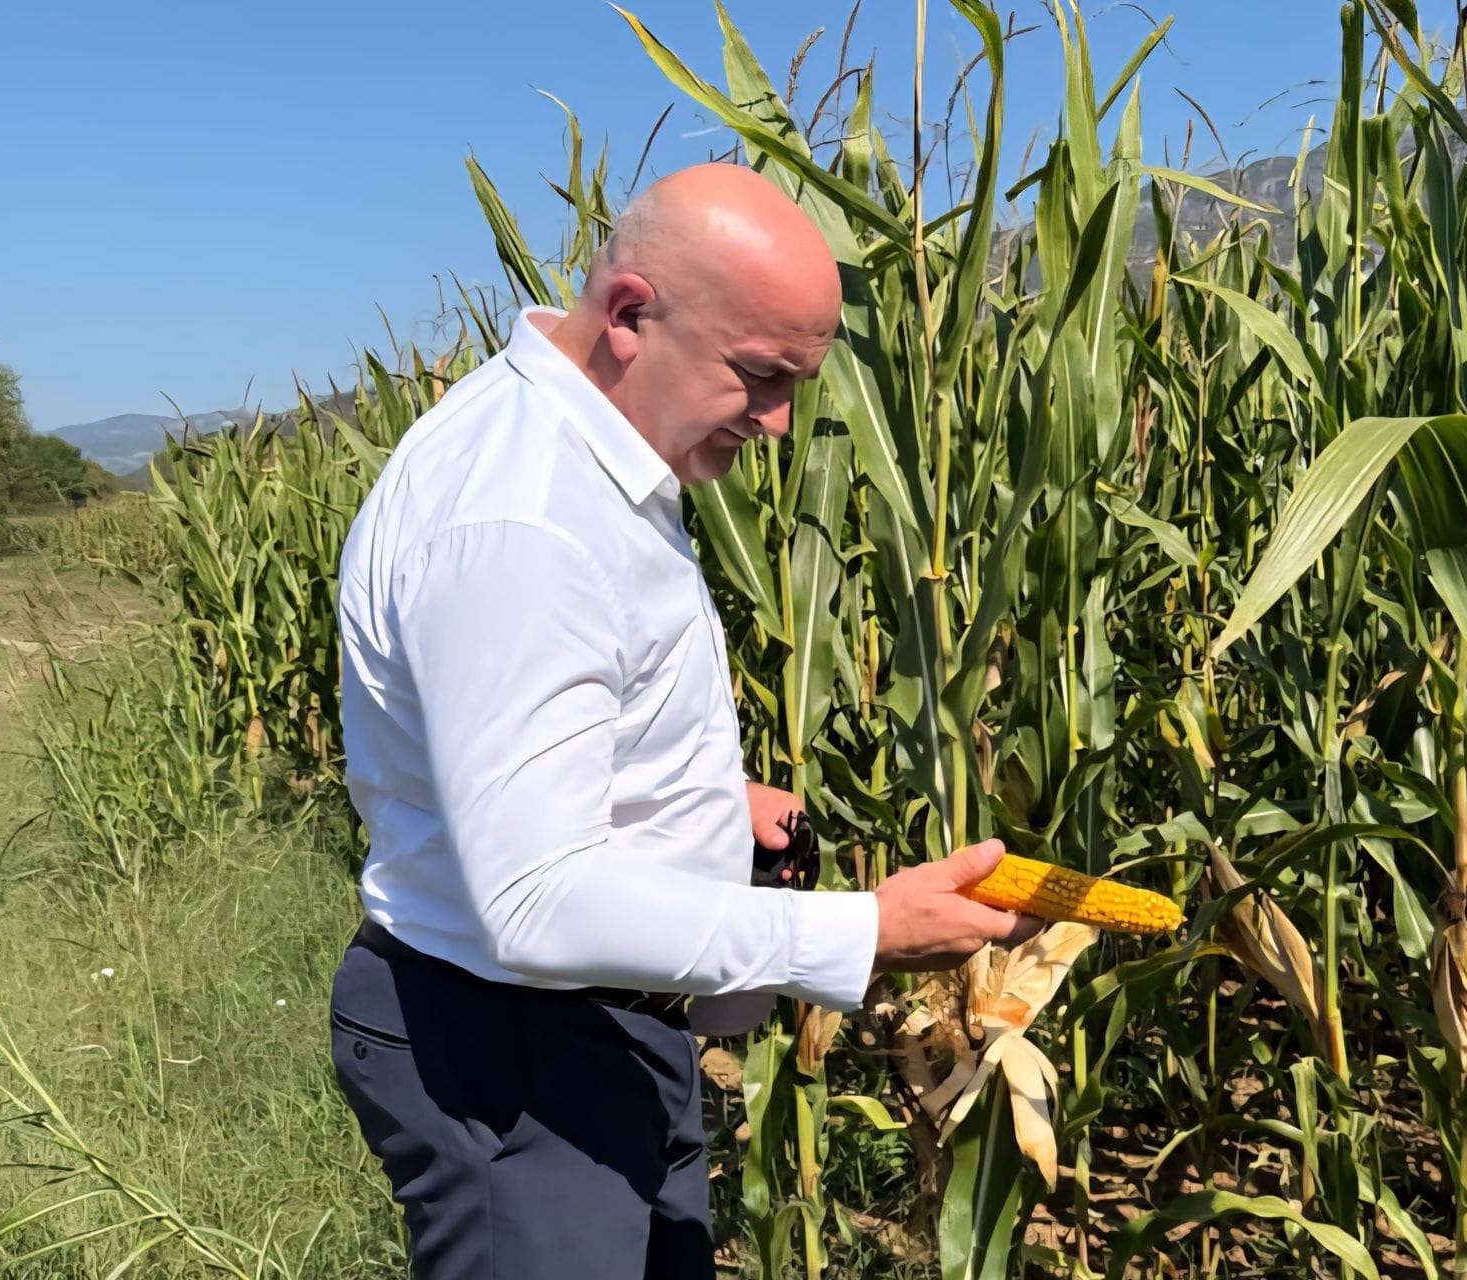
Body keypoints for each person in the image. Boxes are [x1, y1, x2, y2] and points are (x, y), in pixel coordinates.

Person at [326, 161, 1041, 1279]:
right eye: (758, 375)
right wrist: (860, 933)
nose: (781, 421)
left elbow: (541, 730)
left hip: (590, 1026)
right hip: (513, 1052)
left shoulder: (592, 457)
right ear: (628, 315)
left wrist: (703, 802)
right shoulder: (524, 520)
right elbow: (535, 897)